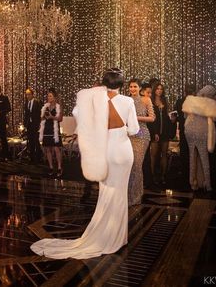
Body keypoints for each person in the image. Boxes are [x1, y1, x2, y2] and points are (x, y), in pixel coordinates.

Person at [30, 68, 139, 259]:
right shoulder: (127, 101)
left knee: (106, 192)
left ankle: (107, 235)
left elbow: (76, 112)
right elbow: (134, 130)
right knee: (120, 193)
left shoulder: (96, 101)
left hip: (106, 149)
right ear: (122, 84)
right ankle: (117, 237)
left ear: (105, 83)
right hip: (122, 150)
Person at [182, 85, 216, 191]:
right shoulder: (210, 103)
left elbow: (185, 116)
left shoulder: (190, 100)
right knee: (204, 158)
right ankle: (207, 184)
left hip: (189, 131)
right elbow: (215, 118)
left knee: (192, 156)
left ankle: (193, 183)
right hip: (202, 131)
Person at [128, 78, 155, 206]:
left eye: (135, 86)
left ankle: (136, 196)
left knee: (137, 166)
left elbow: (152, 118)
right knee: (129, 166)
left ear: (140, 88)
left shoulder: (146, 99)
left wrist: (135, 118)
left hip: (142, 135)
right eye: (131, 87)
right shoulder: (126, 101)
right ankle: (128, 195)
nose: (132, 89)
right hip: (129, 136)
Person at [148, 82, 177, 185]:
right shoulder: (150, 101)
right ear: (154, 90)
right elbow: (151, 119)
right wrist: (154, 132)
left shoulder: (165, 101)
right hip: (154, 131)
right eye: (157, 89)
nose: (159, 91)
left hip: (164, 131)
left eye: (161, 89)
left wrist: (172, 120)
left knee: (164, 154)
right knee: (153, 155)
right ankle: (152, 176)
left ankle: (163, 176)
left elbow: (166, 117)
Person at [174, 84, 196, 181]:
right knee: (190, 151)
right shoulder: (195, 101)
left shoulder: (180, 101)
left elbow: (177, 115)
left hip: (186, 129)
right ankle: (188, 172)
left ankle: (185, 172)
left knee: (185, 151)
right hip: (190, 129)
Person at [39, 90, 63, 176]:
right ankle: (51, 167)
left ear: (55, 97)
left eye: (50, 96)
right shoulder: (45, 107)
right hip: (47, 129)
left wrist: (51, 116)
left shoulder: (58, 106)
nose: (49, 98)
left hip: (54, 130)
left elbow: (60, 119)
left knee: (56, 149)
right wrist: (43, 117)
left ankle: (60, 168)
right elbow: (41, 119)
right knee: (48, 149)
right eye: (48, 96)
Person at [24, 88, 42, 163]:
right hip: (29, 124)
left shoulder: (37, 102)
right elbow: (26, 115)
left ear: (32, 94)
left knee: (36, 140)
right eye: (26, 94)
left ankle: (38, 157)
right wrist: (25, 124)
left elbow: (40, 113)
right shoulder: (27, 103)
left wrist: (40, 124)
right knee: (30, 141)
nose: (27, 96)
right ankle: (31, 158)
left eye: (29, 94)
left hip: (36, 124)